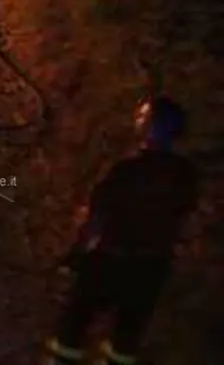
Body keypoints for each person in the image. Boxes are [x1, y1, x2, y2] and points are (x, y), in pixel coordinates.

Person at [43, 95, 200, 365]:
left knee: (73, 326)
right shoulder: (185, 174)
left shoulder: (125, 170)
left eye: (142, 117)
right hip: (152, 268)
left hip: (109, 260)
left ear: (148, 126)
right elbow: (183, 218)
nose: (137, 122)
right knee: (126, 340)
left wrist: (76, 253)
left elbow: (97, 218)